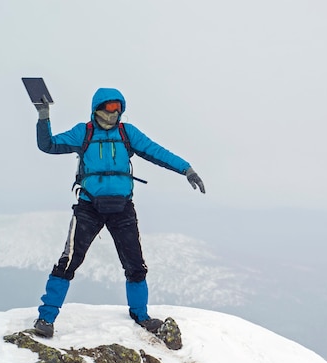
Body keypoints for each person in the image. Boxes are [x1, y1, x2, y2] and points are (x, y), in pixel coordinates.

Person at [31, 87, 205, 338]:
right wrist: (44, 116)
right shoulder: (84, 132)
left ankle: (140, 315)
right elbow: (48, 145)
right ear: (96, 108)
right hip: (89, 206)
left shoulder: (127, 133)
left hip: (122, 208)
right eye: (109, 107)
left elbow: (157, 151)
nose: (114, 113)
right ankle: (46, 318)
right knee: (69, 261)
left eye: (118, 108)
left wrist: (187, 169)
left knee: (135, 264)